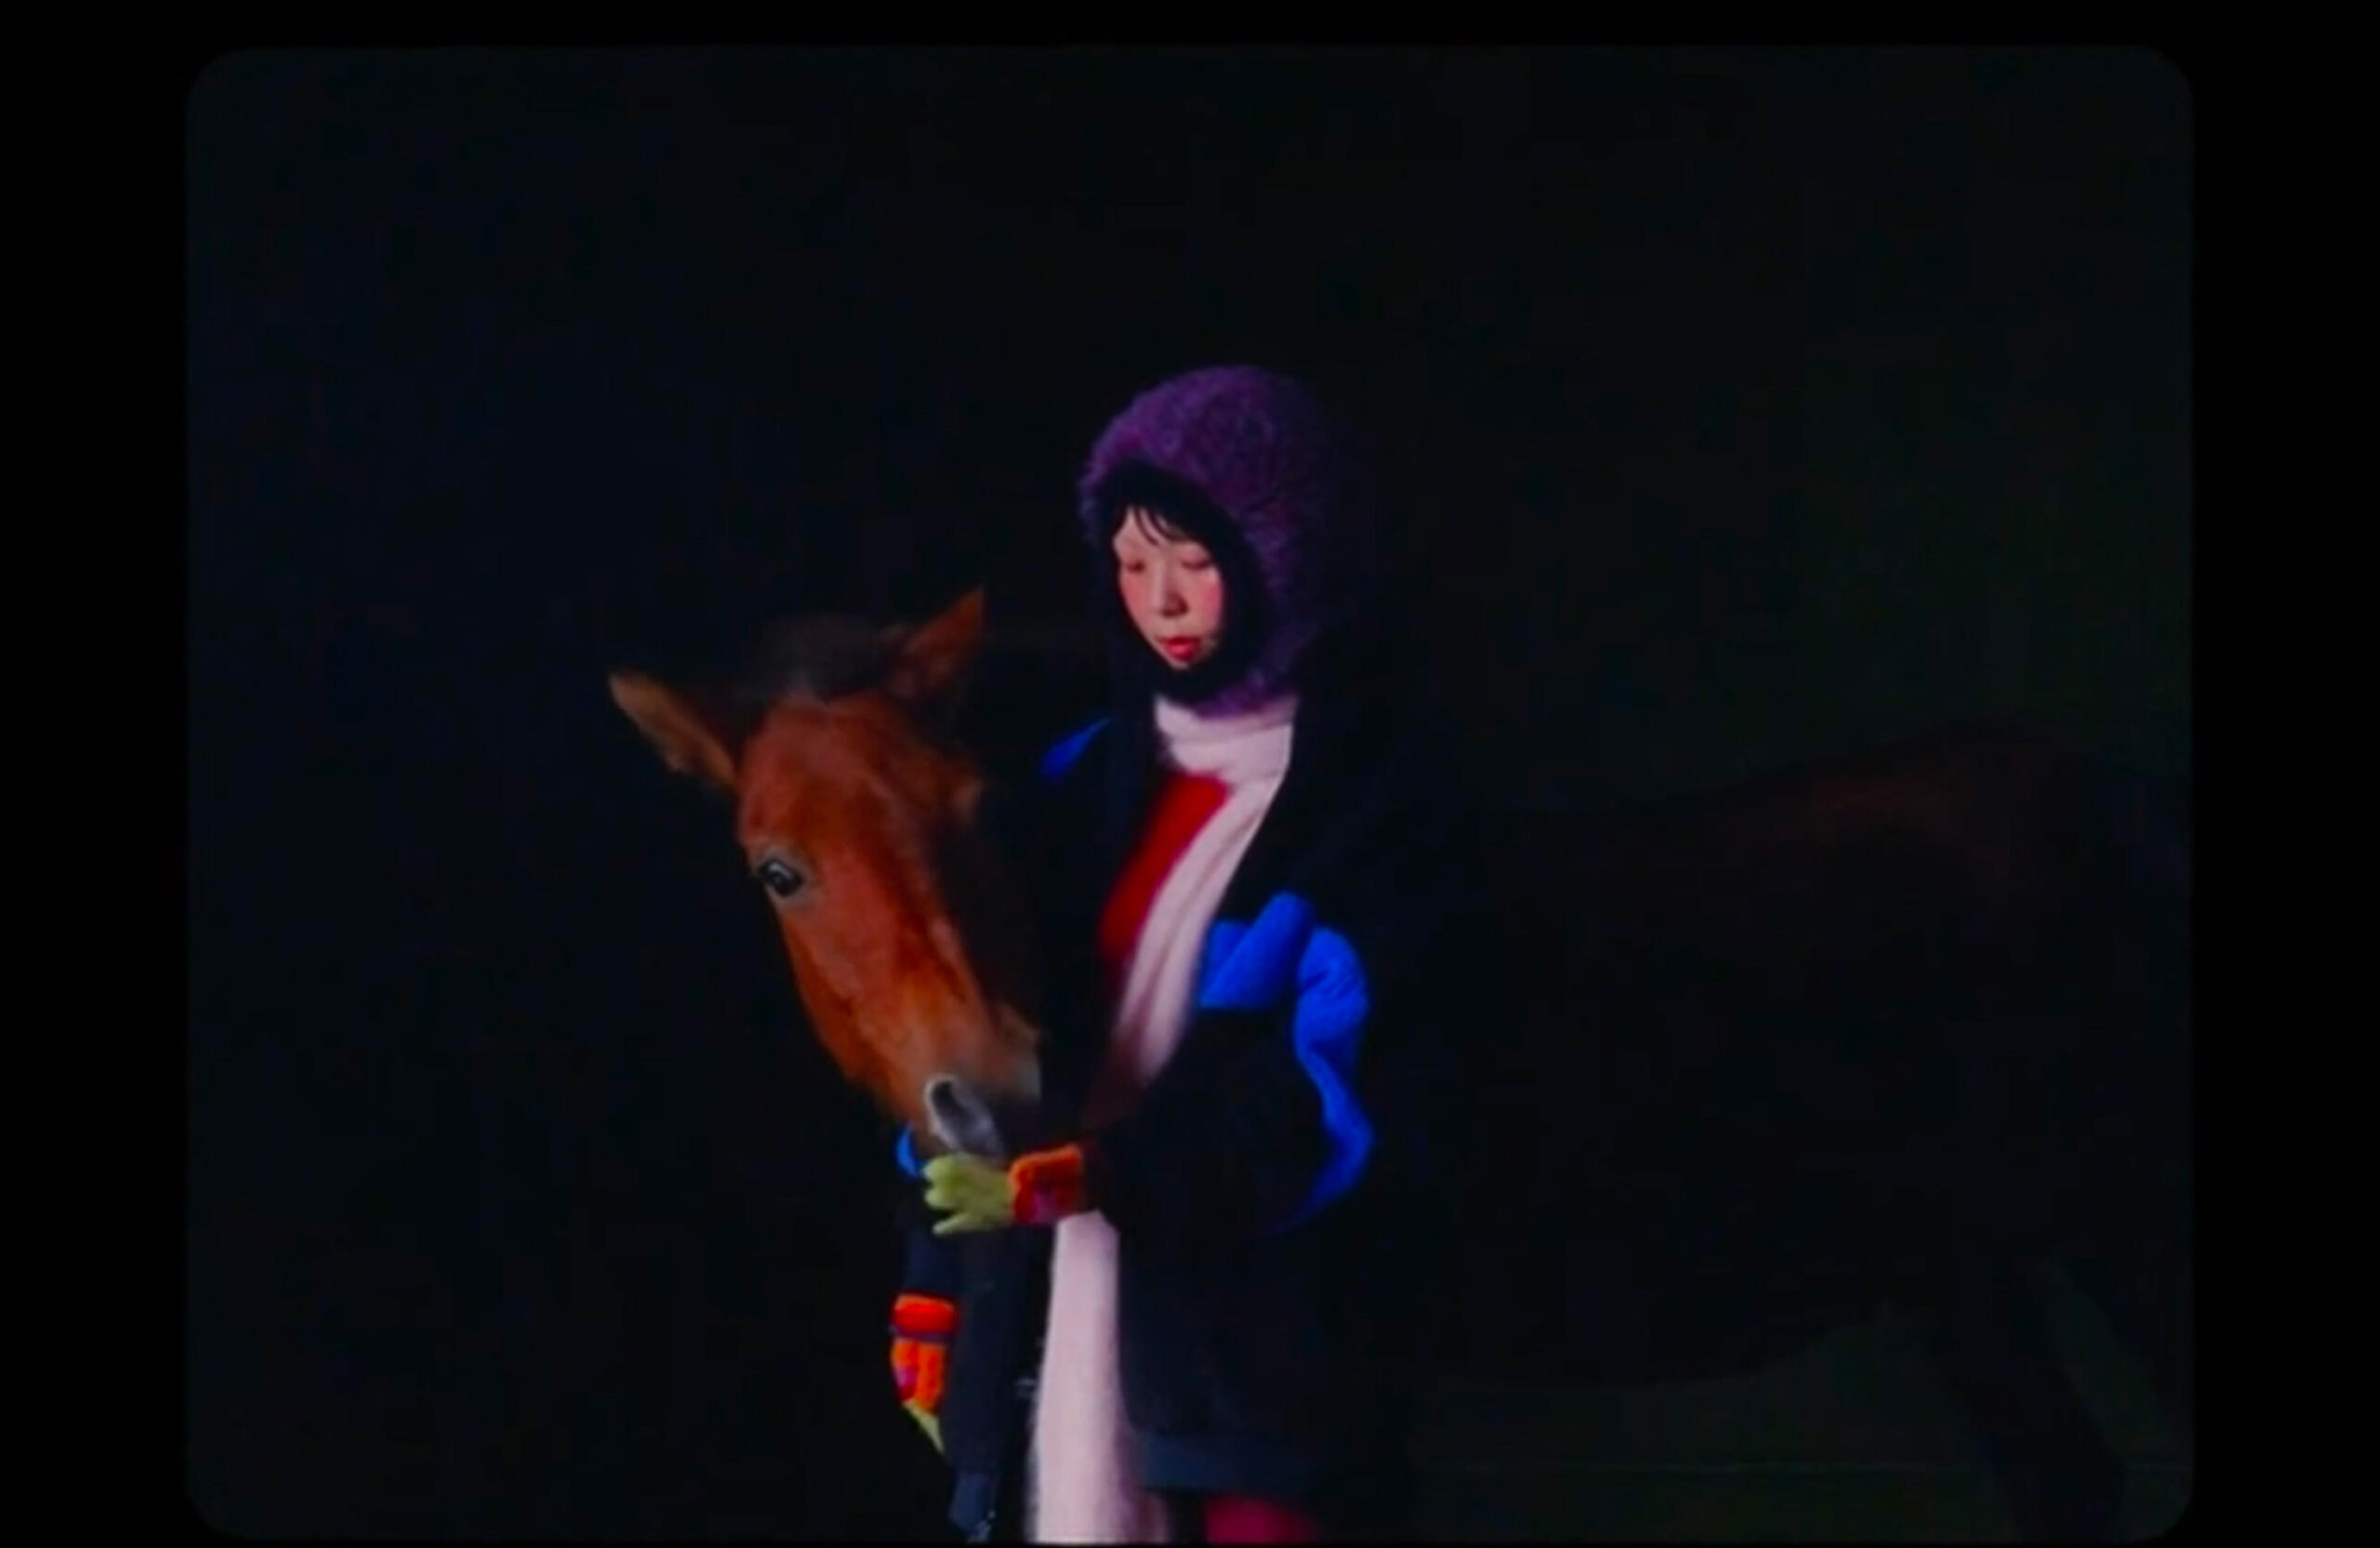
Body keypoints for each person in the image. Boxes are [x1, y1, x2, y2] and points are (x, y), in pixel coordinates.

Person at [889, 364, 1478, 1542]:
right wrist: (935, 1287)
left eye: (1195, 560)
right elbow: (970, 1044)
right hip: (1051, 1344)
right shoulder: (1072, 788)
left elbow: (1337, 1101)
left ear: (1283, 563)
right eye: (1129, 559)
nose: (1158, 599)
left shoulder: (1371, 811)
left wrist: (1113, 1174)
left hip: (1260, 1368)